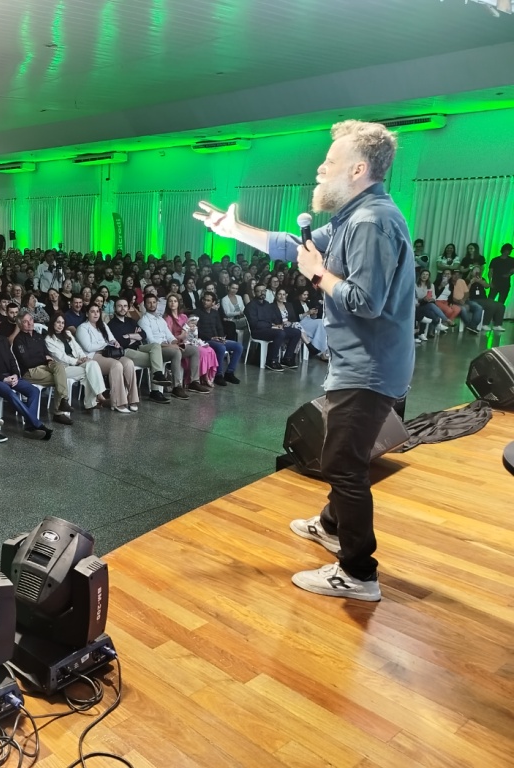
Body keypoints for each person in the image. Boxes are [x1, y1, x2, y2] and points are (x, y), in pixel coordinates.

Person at [195, 119, 414, 601]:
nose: (320, 167)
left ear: (358, 169)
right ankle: (332, 526)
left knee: (343, 463)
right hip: (361, 361)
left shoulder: (371, 222)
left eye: (330, 162)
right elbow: (293, 247)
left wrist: (317, 276)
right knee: (344, 453)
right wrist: (235, 230)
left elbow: (366, 300)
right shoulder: (357, 214)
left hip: (370, 367)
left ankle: (358, 573)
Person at [0, 312, 52, 438]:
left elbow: (12, 360)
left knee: (34, 391)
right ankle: (35, 424)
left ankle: (30, 426)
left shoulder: (3, 340)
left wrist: (15, 374)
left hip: (10, 376)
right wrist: (4, 378)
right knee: (11, 393)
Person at [11, 310, 73, 425]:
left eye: (30, 320)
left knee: (59, 367)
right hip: (30, 372)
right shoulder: (19, 340)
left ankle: (63, 402)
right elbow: (27, 361)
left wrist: (48, 359)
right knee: (60, 378)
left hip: (44, 367)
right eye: (25, 322)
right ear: (20, 325)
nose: (30, 323)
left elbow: (46, 353)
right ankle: (59, 411)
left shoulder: (38, 336)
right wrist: (45, 359)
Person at [75, 305, 140, 413]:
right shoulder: (82, 328)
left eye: (97, 311)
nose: (96, 314)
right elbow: (88, 347)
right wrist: (105, 344)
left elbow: (112, 339)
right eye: (92, 311)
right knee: (116, 365)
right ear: (87, 314)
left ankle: (132, 399)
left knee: (128, 363)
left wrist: (115, 342)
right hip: (94, 356)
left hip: (109, 352)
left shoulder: (103, 325)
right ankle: (117, 402)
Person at [106, 298, 173, 403]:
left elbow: (143, 335)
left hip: (138, 348)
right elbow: (121, 342)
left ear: (128, 308)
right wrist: (135, 336)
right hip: (126, 351)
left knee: (155, 346)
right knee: (155, 360)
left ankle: (158, 375)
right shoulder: (111, 325)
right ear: (115, 308)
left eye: (125, 306)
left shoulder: (131, 321)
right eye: (119, 306)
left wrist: (129, 336)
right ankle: (155, 391)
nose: (122, 308)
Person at [44, 313, 107, 411]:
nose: (61, 325)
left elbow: (77, 348)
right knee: (89, 372)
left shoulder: (67, 334)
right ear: (53, 323)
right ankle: (93, 402)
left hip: (76, 362)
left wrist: (83, 357)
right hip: (63, 367)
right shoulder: (48, 339)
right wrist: (76, 361)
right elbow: (60, 357)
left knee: (92, 364)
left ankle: (98, 396)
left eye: (63, 323)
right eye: (58, 322)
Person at [138, 294, 196, 398]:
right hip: (156, 350)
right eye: (149, 303)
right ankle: (176, 387)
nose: (152, 305)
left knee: (193, 350)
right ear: (145, 305)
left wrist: (175, 343)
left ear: (157, 303)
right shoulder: (143, 321)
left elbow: (170, 336)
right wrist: (172, 347)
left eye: (154, 302)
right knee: (176, 352)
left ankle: (194, 382)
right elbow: (151, 341)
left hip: (169, 347)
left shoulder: (160, 320)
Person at [244, 290, 302, 370]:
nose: (262, 293)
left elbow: (274, 318)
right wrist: (272, 326)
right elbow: (255, 324)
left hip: (271, 328)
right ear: (255, 293)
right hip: (257, 331)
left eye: (263, 291)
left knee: (296, 332)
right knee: (280, 333)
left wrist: (279, 325)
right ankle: (272, 361)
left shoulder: (267, 304)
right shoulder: (251, 306)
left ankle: (287, 358)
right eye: (259, 291)